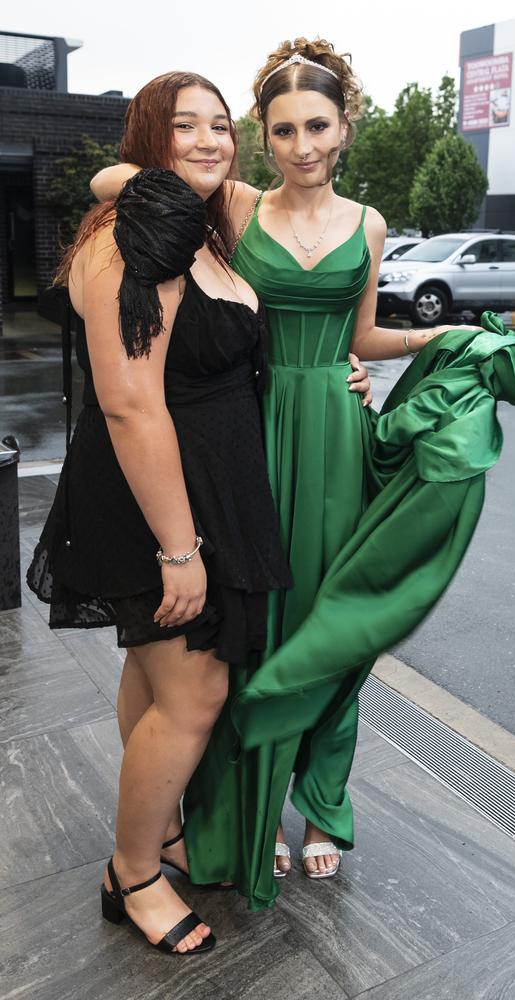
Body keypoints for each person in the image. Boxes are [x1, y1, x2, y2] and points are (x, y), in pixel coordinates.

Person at [89, 39, 486, 907]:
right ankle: (253, 807)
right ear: (263, 141)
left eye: (318, 126)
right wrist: (158, 174)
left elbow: (363, 339)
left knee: (331, 627)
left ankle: (325, 810)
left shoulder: (371, 225)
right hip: (253, 431)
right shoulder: (231, 203)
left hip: (336, 433)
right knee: (254, 631)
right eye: (282, 131)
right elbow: (109, 183)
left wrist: (439, 339)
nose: (302, 146)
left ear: (345, 130)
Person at [27, 73, 292, 950]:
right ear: (149, 134)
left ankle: (163, 830)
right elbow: (132, 406)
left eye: (221, 126)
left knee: (152, 675)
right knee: (196, 692)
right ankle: (131, 874)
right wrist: (181, 550)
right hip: (159, 500)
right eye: (186, 126)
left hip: (211, 482)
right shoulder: (122, 242)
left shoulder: (197, 224)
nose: (211, 140)